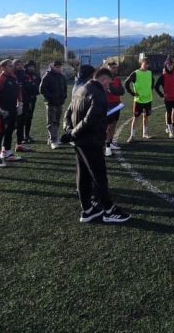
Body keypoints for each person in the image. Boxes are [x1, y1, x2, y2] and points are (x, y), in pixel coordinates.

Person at [66, 66, 131, 224]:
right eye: (108, 83)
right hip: (91, 141)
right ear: (102, 79)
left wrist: (69, 131)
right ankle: (108, 210)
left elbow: (67, 114)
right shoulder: (99, 93)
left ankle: (87, 210)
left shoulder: (80, 89)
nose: (108, 86)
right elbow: (90, 119)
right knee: (99, 176)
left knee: (83, 175)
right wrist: (74, 132)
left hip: (79, 142)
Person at [0, 59, 23, 167]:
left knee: (10, 131)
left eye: (11, 66)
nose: (11, 67)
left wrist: (20, 103)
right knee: (0, 133)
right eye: (9, 66)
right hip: (3, 111)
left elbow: (18, 91)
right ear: (3, 68)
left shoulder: (14, 77)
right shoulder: (0, 79)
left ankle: (7, 153)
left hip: (13, 108)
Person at [124, 57, 154, 143]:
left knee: (146, 116)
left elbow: (152, 81)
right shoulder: (135, 73)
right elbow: (126, 83)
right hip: (138, 100)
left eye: (148, 64)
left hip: (148, 99)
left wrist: (150, 90)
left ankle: (145, 133)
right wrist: (132, 93)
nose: (147, 65)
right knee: (136, 118)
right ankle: (132, 136)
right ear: (141, 63)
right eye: (145, 64)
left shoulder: (150, 72)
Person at [39, 60, 68, 150]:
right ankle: (53, 141)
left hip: (60, 102)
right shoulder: (47, 76)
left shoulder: (62, 77)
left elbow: (65, 87)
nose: (59, 68)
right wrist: (50, 97)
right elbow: (41, 89)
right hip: (51, 103)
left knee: (57, 121)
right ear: (53, 66)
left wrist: (64, 96)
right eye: (57, 67)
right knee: (51, 122)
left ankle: (52, 138)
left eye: (60, 67)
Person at [103, 61, 125, 157]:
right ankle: (107, 147)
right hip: (108, 105)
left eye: (115, 67)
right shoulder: (105, 79)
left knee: (114, 124)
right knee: (108, 126)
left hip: (117, 104)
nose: (115, 69)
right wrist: (114, 90)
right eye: (113, 68)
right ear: (108, 68)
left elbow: (121, 91)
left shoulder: (117, 79)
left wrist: (115, 90)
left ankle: (110, 143)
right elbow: (114, 91)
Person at [18, 60, 40, 145]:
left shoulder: (36, 76)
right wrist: (32, 86)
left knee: (29, 117)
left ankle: (27, 135)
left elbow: (39, 86)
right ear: (26, 67)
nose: (31, 68)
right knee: (23, 118)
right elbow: (25, 87)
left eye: (33, 67)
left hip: (33, 99)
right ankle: (21, 137)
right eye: (29, 67)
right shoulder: (23, 75)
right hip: (24, 99)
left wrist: (34, 88)